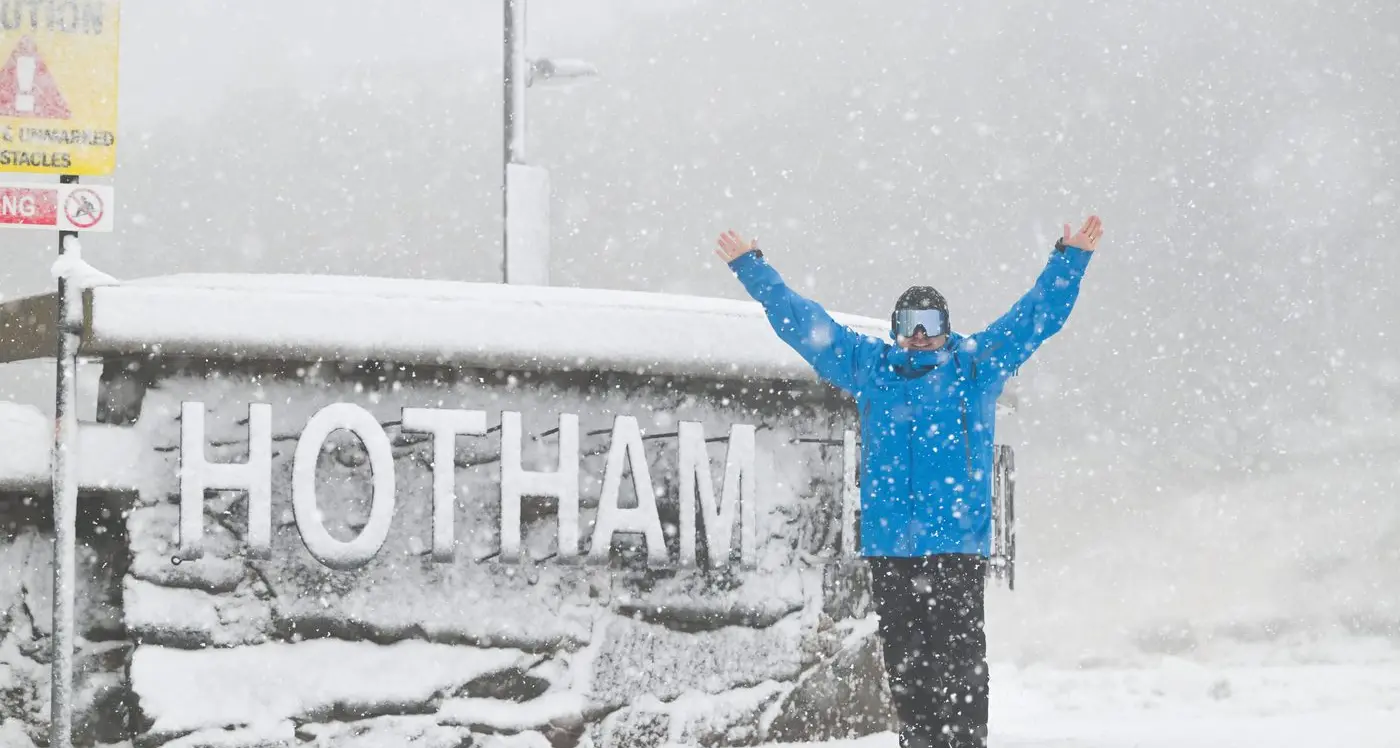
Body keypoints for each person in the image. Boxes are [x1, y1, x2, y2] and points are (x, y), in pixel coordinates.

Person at [713, 216, 1103, 748]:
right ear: (895, 326)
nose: (919, 333)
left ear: (946, 323)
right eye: (909, 322)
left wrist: (1069, 258)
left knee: (961, 665)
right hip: (891, 548)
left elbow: (1036, 317)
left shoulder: (976, 366)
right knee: (907, 667)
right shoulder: (870, 368)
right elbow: (802, 323)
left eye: (930, 320)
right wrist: (751, 267)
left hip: (956, 547)